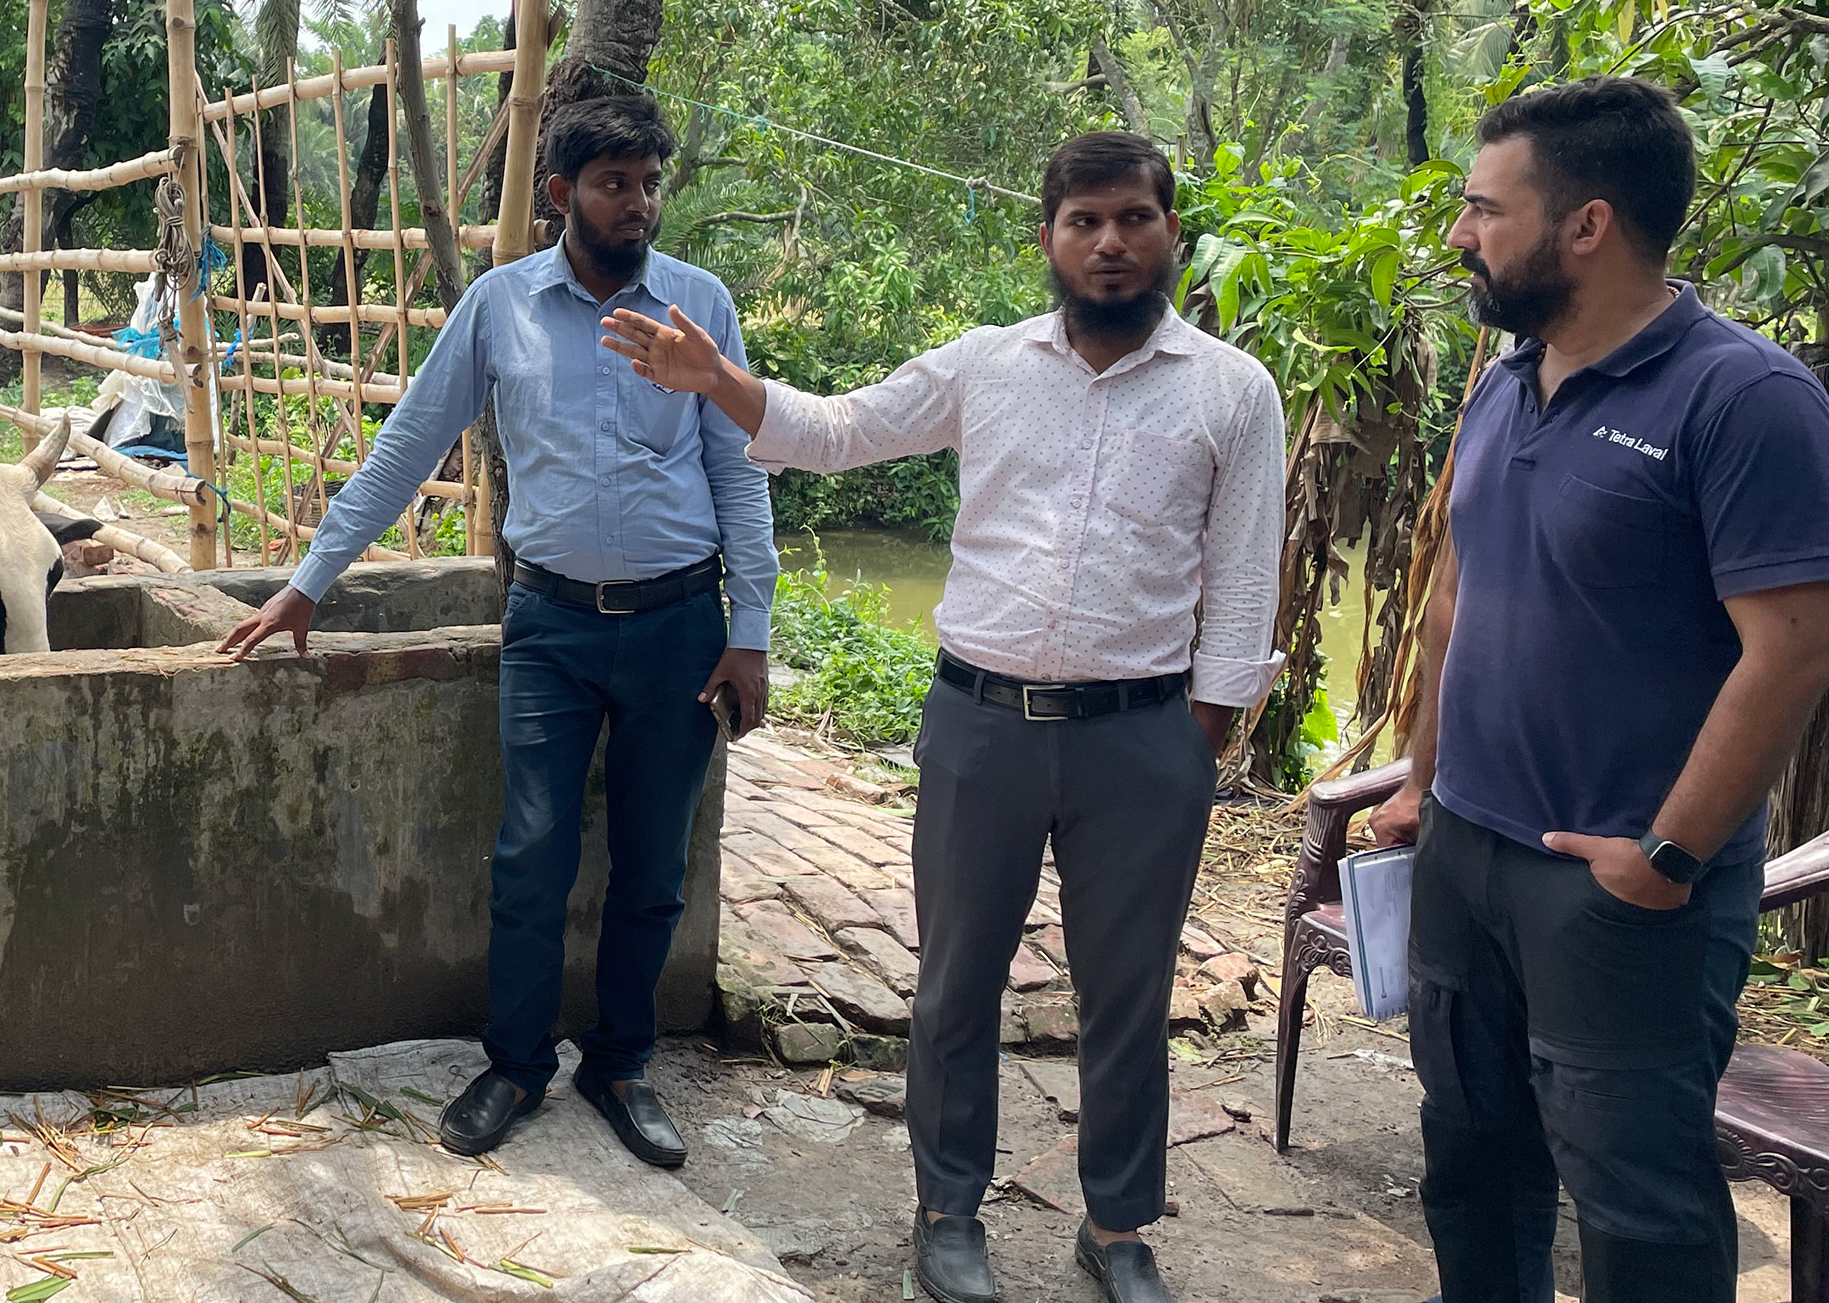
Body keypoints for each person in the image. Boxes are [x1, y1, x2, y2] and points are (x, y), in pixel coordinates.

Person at [601, 130, 1283, 1303]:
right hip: (982, 726)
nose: (1111, 242)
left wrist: (1198, 742)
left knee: (1128, 993)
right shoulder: (988, 366)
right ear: (1049, 239)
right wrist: (719, 381)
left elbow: (1246, 581)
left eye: (1134, 218)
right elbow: (837, 431)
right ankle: (948, 1208)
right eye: (1085, 222)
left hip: (1144, 735)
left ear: (1173, 230)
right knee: (957, 982)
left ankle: (1118, 1226)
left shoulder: (1233, 390)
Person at [218, 94, 777, 1172]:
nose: (641, 202)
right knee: (531, 854)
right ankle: (517, 1064)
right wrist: (309, 583)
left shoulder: (699, 306)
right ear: (563, 195)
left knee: (653, 861)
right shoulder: (501, 308)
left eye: (652, 181)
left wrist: (747, 629)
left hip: (676, 626)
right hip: (551, 625)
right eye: (617, 183)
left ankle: (620, 1066)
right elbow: (407, 446)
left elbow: (738, 474)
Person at [1367, 77, 1829, 1302]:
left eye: (1483, 210)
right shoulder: (1508, 379)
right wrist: (1423, 781)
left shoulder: (1746, 400)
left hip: (1622, 887)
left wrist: (1667, 858)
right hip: (1469, 850)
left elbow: (1794, 651)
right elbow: (1456, 598)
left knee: (1639, 1202)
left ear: (1588, 225)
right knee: (1471, 1155)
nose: (1461, 235)